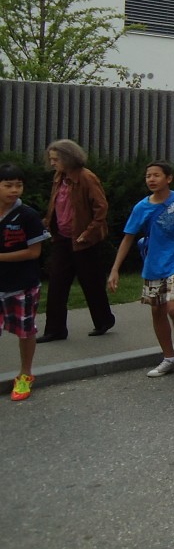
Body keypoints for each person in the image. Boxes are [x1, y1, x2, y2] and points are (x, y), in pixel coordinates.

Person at [108, 161, 174, 377]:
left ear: (168, 178)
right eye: (148, 176)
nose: (151, 179)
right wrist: (115, 269)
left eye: (156, 175)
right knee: (157, 311)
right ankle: (168, 357)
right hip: (153, 264)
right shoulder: (141, 207)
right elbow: (128, 238)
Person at [38, 139, 115, 342]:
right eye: (51, 159)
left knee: (91, 282)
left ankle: (104, 320)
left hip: (83, 240)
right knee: (56, 283)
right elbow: (57, 204)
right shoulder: (59, 177)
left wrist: (88, 233)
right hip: (62, 238)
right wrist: (47, 223)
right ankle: (55, 330)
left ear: (68, 157)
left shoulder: (86, 177)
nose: (52, 163)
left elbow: (101, 208)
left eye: (56, 159)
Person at [0, 163, 50, 401]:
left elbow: (34, 252)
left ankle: (25, 374)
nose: (14, 190)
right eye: (8, 185)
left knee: (25, 331)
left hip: (22, 285)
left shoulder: (27, 215)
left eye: (18, 185)